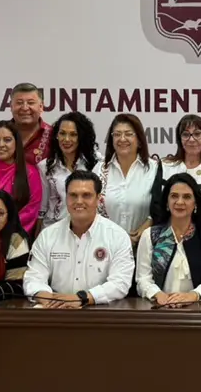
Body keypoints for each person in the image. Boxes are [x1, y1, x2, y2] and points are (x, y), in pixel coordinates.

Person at [23, 171, 134, 308]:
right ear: (66, 198)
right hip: (55, 312)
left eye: (86, 195)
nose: (79, 201)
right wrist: (47, 298)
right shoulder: (47, 236)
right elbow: (33, 277)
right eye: (73, 195)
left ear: (99, 199)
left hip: (99, 314)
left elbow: (120, 283)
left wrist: (82, 298)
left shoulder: (117, 236)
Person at [136, 173, 201, 304]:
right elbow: (143, 279)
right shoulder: (150, 235)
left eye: (187, 197)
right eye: (174, 196)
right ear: (166, 202)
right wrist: (157, 294)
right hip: (159, 308)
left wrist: (192, 296)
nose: (180, 202)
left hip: (198, 310)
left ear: (195, 203)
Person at [150, 114, 201, 236]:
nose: (192, 139)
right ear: (179, 139)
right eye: (186, 134)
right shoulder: (165, 166)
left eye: (198, 134)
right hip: (166, 238)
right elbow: (156, 207)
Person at [95, 114, 158, 248]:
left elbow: (162, 206)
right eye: (117, 134)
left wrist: (146, 227)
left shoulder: (154, 169)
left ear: (139, 139)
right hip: (106, 246)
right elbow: (91, 208)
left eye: (128, 134)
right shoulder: (99, 169)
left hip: (144, 246)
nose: (122, 139)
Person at [37, 112, 99, 230]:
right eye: (62, 133)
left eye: (73, 134)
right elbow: (43, 207)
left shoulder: (96, 163)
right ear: (56, 135)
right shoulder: (45, 166)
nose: (66, 139)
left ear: (81, 137)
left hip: (89, 229)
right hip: (54, 229)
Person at [0, 82, 52, 165]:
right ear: (11, 106)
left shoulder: (53, 135)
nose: (25, 108)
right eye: (19, 103)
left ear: (41, 107)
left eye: (31, 103)